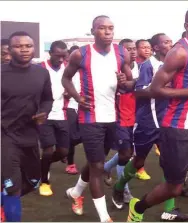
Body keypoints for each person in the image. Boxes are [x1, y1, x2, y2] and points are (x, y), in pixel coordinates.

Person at [127, 6, 188, 222]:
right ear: (187, 26)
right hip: (176, 129)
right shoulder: (179, 53)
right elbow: (155, 89)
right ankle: (138, 207)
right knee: (174, 187)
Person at [62, 15, 134, 222]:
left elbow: (129, 84)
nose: (108, 32)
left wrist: (125, 81)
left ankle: (76, 193)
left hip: (114, 116)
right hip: (90, 117)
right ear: (93, 31)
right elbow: (66, 78)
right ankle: (104, 217)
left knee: (109, 158)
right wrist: (77, 97)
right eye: (102, 28)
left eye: (111, 28)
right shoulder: (80, 54)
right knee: (98, 167)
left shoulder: (122, 53)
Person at [1, 31, 53, 222]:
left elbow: (48, 99)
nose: (24, 50)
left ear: (33, 48)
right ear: (10, 49)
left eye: (28, 46)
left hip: (30, 134)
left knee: (33, 181)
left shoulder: (41, 72)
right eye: (18, 46)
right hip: (5, 136)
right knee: (12, 185)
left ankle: (4, 201)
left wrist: (44, 112)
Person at [104, 38, 140, 208]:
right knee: (126, 154)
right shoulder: (114, 69)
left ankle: (105, 168)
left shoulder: (142, 67)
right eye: (128, 49)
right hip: (119, 117)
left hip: (138, 116)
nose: (132, 52)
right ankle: (123, 190)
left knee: (131, 153)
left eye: (134, 48)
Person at [37, 40, 70, 197]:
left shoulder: (68, 69)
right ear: (50, 54)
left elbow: (72, 87)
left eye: (64, 56)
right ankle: (44, 181)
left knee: (64, 151)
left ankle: (40, 165)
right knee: (48, 150)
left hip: (62, 114)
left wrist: (71, 93)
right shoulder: (40, 68)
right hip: (44, 115)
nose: (61, 60)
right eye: (58, 56)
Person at [65, 45, 82, 175]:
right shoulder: (65, 70)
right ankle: (70, 163)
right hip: (70, 106)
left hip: (85, 106)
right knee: (71, 137)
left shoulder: (86, 70)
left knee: (82, 136)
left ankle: (63, 148)